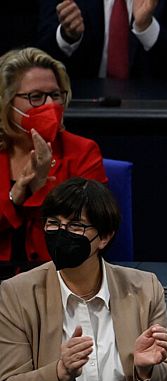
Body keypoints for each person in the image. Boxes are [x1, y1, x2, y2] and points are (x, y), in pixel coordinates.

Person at [0, 177, 167, 381]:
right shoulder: (18, 293)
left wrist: (146, 371)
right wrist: (59, 372)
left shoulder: (144, 289)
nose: (62, 233)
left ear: (104, 237)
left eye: (76, 226)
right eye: (53, 223)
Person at [0, 47, 107, 280]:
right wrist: (16, 197)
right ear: (7, 102)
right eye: (36, 96)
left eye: (55, 95)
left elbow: (88, 235)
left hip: (60, 281)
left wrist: (40, 189)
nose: (50, 105)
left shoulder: (83, 152)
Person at [36, 0, 167, 79]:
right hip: (79, 114)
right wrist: (67, 37)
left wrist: (147, 28)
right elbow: (38, 58)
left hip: (156, 118)